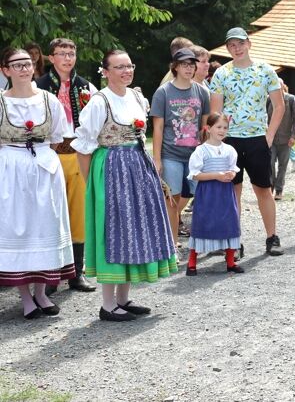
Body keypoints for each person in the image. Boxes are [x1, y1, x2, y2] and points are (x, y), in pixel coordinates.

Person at [72, 49, 177, 322]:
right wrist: (91, 185)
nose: (126, 71)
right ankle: (107, 305)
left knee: (134, 228)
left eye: (129, 66)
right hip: (112, 169)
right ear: (105, 72)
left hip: (137, 167)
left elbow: (141, 138)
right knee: (115, 230)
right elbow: (83, 147)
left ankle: (123, 299)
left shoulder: (136, 96)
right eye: (119, 67)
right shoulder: (99, 102)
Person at [0, 48, 74, 318]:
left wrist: (40, 157)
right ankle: (25, 297)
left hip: (44, 165)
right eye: (16, 65)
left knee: (45, 224)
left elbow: (56, 136)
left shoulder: (48, 100)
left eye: (27, 64)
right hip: (10, 168)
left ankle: (42, 293)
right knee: (19, 227)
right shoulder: (1, 101)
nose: (23, 69)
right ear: (5, 70)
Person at [209, 27, 285, 256]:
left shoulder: (265, 70)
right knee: (233, 192)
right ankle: (234, 240)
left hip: (256, 138)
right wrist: (218, 141)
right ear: (228, 48)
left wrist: (269, 135)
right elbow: (215, 111)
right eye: (232, 45)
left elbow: (279, 105)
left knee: (263, 189)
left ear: (248, 43)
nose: (237, 48)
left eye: (240, 43)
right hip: (230, 140)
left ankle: (272, 237)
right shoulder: (222, 74)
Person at [35, 38, 98, 294]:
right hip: (49, 154)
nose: (67, 58)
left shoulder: (86, 87)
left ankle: (76, 273)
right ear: (51, 57)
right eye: (62, 53)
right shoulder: (37, 87)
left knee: (78, 213)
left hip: (77, 153)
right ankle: (50, 275)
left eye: (71, 53)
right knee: (50, 213)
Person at [150, 48, 210, 245]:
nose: (189, 68)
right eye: (184, 64)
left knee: (201, 198)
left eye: (192, 64)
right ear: (174, 67)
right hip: (171, 155)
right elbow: (157, 129)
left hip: (195, 155)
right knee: (172, 200)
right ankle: (171, 245)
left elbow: (205, 126)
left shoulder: (202, 91)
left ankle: (201, 241)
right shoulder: (163, 92)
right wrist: (157, 160)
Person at [185, 113, 244, 275]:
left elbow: (233, 168)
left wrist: (231, 174)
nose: (222, 130)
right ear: (208, 129)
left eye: (225, 128)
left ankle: (230, 261)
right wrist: (216, 175)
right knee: (204, 222)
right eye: (218, 127)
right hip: (208, 193)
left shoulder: (229, 150)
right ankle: (192, 261)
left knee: (229, 222)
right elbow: (195, 174)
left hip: (225, 192)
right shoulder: (201, 150)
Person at [268, 84, 295, 201]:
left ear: (283, 87)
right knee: (270, 164)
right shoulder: (268, 99)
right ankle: (270, 187)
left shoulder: (291, 99)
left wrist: (294, 136)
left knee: (283, 166)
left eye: (279, 86)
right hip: (271, 139)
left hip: (286, 140)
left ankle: (279, 190)